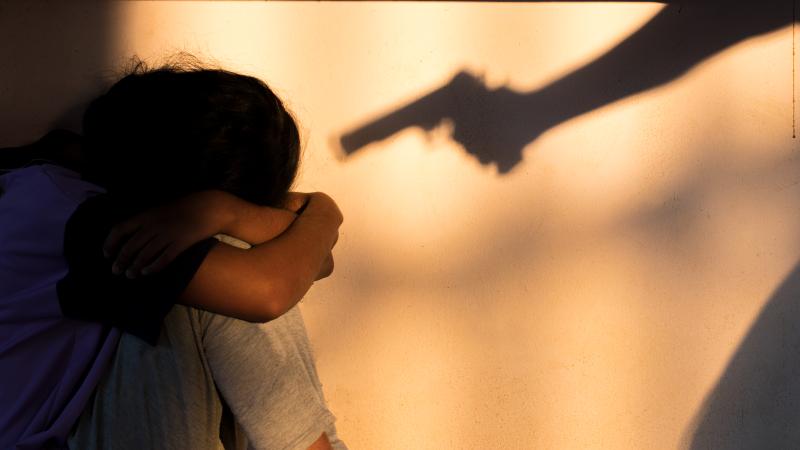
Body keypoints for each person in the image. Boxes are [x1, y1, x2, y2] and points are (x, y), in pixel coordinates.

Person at [0, 60, 347, 450]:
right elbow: (271, 289)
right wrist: (312, 212)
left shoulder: (56, 171)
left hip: (66, 423)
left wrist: (237, 210)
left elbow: (312, 258)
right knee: (228, 271)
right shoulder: (91, 225)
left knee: (235, 266)